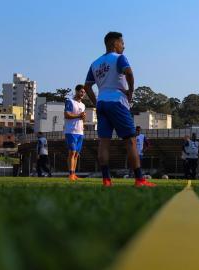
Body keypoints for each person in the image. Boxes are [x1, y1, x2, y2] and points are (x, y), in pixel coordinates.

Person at [84, 31, 155, 187]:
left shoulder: (95, 63)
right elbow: (129, 72)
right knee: (130, 140)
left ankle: (106, 180)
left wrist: (96, 101)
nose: (124, 46)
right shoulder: (119, 58)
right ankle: (139, 179)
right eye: (122, 43)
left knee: (104, 142)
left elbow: (87, 86)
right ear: (113, 43)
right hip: (117, 102)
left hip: (102, 103)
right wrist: (131, 90)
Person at [64, 84, 86, 181]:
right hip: (71, 131)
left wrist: (83, 119)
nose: (83, 94)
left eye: (84, 92)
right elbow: (67, 115)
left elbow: (82, 118)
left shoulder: (83, 105)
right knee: (72, 152)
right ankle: (71, 174)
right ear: (76, 91)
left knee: (76, 154)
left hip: (80, 132)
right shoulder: (70, 101)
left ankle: (74, 173)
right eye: (81, 91)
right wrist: (78, 116)